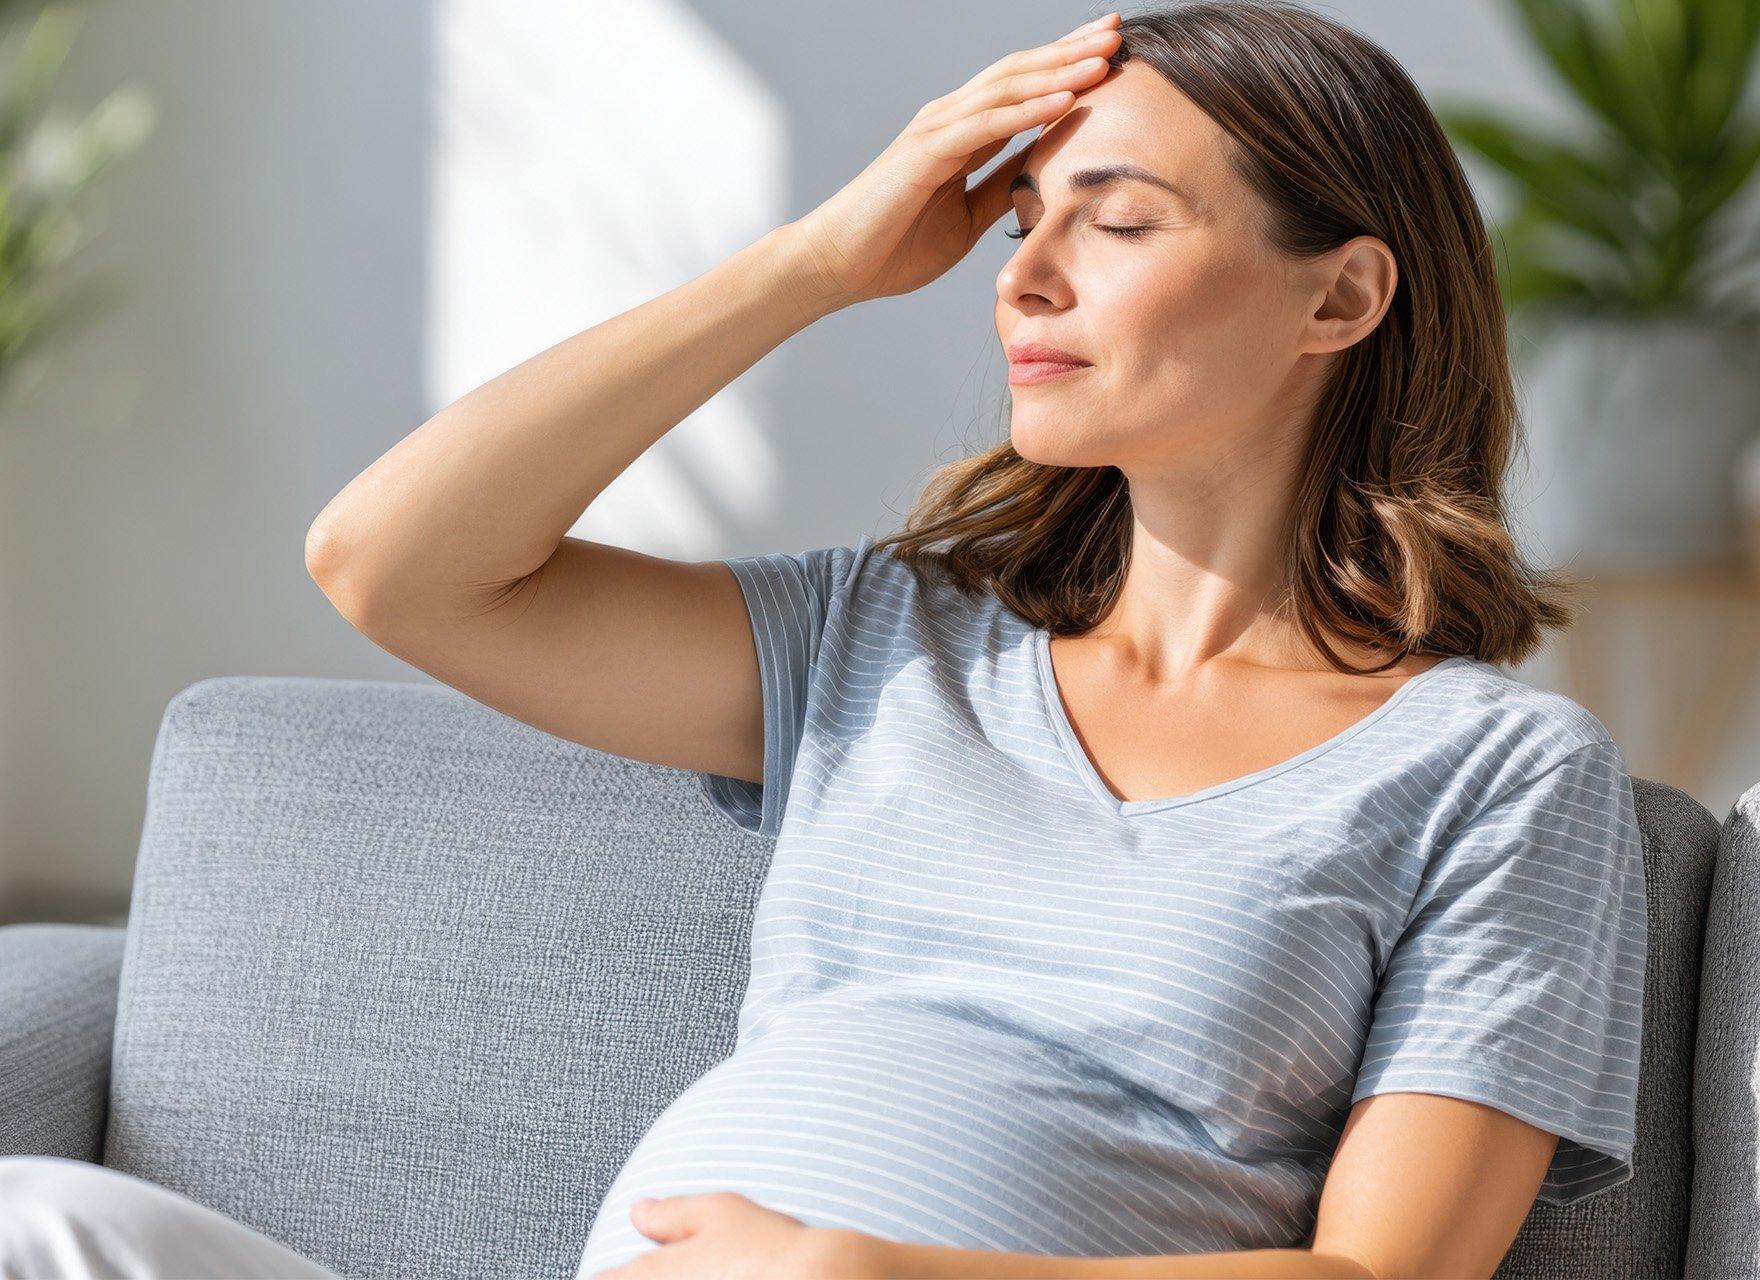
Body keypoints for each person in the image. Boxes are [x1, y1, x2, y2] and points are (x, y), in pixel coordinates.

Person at [1, 3, 1647, 1278]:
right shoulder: (889, 645)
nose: (1031, 279)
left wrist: (885, 1272)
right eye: (1019, 231)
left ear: (1342, 299)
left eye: (1121, 224)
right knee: (43, 1226)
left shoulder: (1490, 773)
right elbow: (392, 563)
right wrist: (814, 263)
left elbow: (1386, 1268)